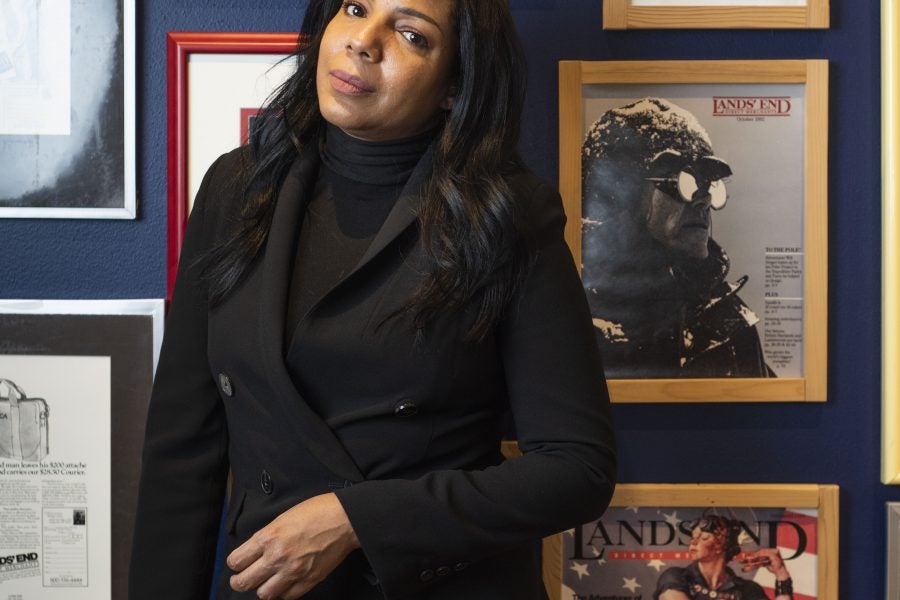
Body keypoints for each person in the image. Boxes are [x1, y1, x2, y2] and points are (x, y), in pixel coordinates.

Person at [129, 1, 616, 599]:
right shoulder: (237, 187)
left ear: (454, 84)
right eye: (356, 7)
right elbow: (182, 448)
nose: (364, 40)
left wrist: (357, 520)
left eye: (411, 34)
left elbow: (577, 469)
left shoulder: (507, 214)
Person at [581, 97, 774, 379]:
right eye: (685, 182)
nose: (703, 201)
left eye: (709, 185)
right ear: (623, 197)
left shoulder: (729, 323)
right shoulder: (574, 313)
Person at [655, 515, 795, 600]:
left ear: (721, 546)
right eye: (693, 537)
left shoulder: (748, 589)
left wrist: (781, 574)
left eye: (704, 538)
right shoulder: (675, 577)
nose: (693, 542)